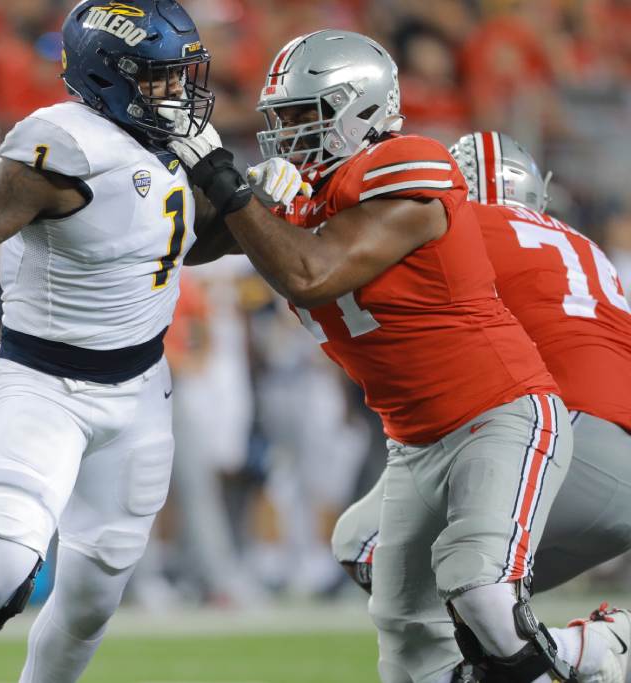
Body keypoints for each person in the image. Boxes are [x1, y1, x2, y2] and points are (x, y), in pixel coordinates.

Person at [167, 30, 628, 683]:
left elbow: (310, 273)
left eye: (305, 116)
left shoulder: (411, 162)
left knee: (482, 596)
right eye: (282, 120)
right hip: (417, 442)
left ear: (359, 108)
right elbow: (194, 246)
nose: (288, 134)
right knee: (416, 655)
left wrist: (232, 186)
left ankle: (599, 650)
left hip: (499, 413)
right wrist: (211, 180)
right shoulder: (310, 198)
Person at [0, 2, 225, 681]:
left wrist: (249, 203)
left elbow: (169, 243)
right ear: (108, 77)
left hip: (142, 394)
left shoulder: (173, 142)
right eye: (159, 78)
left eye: (180, 75)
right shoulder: (63, 146)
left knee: (93, 600)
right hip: (46, 386)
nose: (177, 93)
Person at [332, 131, 631, 677]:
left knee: (373, 549)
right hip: (609, 450)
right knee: (468, 607)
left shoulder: (456, 227)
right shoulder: (583, 246)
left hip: (565, 435)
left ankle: (593, 652)